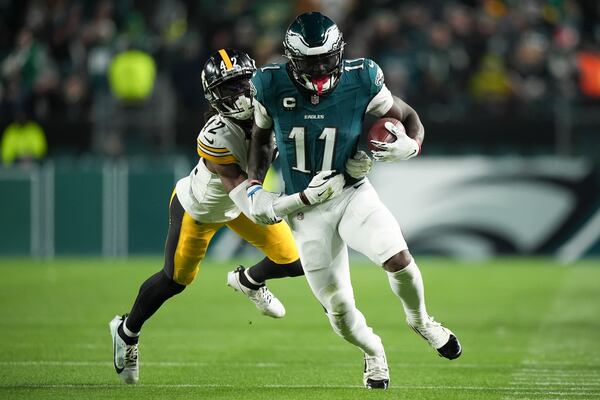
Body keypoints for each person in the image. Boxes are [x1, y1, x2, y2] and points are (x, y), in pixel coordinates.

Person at [245, 13, 462, 390]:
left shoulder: (362, 77)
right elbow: (261, 138)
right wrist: (253, 182)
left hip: (350, 192)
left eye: (325, 60)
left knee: (398, 258)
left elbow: (407, 116)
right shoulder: (269, 84)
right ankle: (374, 351)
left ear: (339, 53)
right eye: (309, 63)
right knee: (340, 312)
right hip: (305, 211)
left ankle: (421, 320)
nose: (319, 70)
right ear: (292, 60)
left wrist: (411, 145)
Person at [109, 48, 344, 384]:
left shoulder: (276, 106)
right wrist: (301, 199)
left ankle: (248, 281)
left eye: (244, 82)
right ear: (214, 98)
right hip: (203, 209)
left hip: (243, 204)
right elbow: (247, 197)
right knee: (175, 281)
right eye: (229, 89)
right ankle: (127, 331)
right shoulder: (217, 136)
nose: (241, 94)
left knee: (294, 261)